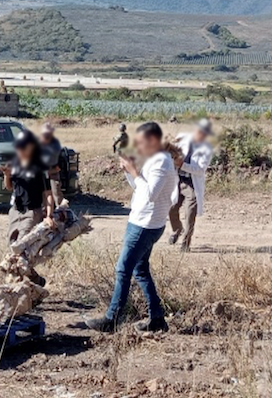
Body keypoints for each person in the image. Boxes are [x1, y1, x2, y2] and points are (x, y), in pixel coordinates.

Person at [87, 122, 178, 333]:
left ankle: (112, 318)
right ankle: (156, 318)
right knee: (140, 269)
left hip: (145, 225)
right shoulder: (157, 160)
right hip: (145, 222)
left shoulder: (161, 163)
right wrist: (130, 173)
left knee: (123, 269)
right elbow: (140, 189)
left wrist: (134, 172)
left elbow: (150, 195)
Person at [2, 130, 56, 285]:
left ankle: (15, 286)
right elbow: (9, 187)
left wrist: (49, 215)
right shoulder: (14, 164)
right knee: (11, 245)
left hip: (31, 212)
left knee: (20, 251)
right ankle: (35, 279)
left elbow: (48, 194)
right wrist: (7, 175)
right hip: (15, 211)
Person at [169, 119, 214, 252]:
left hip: (191, 185)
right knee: (171, 208)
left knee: (190, 216)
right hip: (178, 180)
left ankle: (185, 244)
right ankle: (177, 229)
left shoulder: (206, 149)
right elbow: (172, 147)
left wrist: (182, 165)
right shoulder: (183, 138)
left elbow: (200, 169)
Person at [40, 122, 64, 207]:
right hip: (42, 172)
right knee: (43, 193)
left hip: (53, 170)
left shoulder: (55, 143)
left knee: (56, 192)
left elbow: (58, 157)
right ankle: (45, 213)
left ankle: (61, 212)